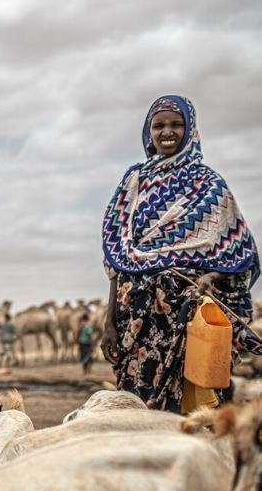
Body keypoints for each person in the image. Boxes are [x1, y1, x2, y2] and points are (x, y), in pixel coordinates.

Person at [100, 95, 260, 411]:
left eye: (176, 124)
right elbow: (118, 258)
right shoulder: (134, 182)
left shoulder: (211, 185)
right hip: (137, 318)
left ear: (190, 129)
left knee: (197, 407)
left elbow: (239, 253)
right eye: (158, 125)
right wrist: (109, 322)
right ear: (149, 131)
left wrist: (210, 278)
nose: (167, 132)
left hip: (189, 316)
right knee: (137, 407)